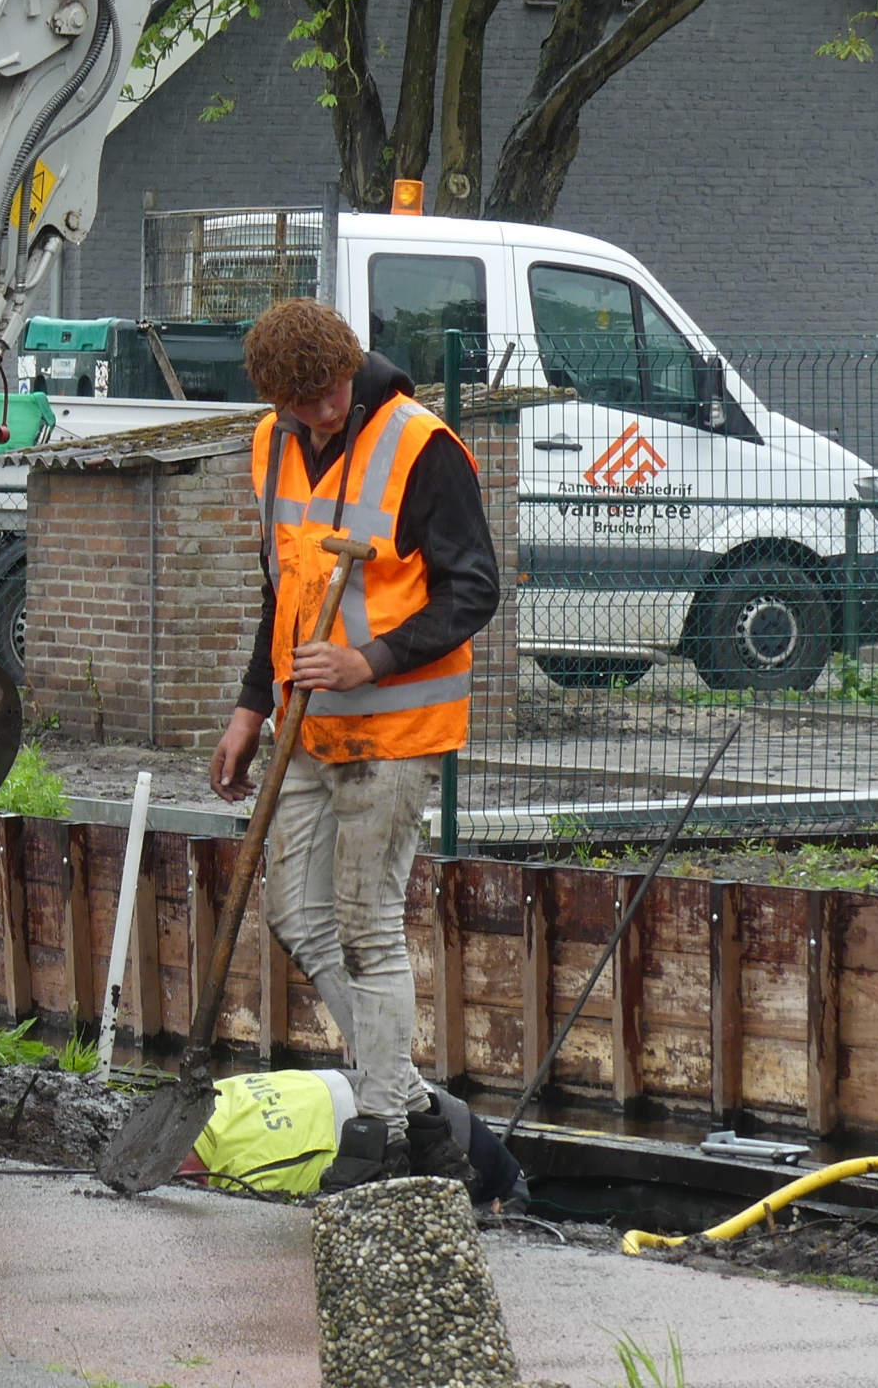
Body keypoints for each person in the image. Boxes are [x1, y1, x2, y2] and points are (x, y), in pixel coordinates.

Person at [208, 299, 499, 1191]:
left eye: (331, 392)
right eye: (303, 402)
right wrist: (251, 710)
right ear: (278, 401)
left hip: (396, 726)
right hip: (305, 724)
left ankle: (377, 1127)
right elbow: (281, 596)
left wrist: (366, 658)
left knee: (369, 923)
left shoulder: (422, 448)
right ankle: (409, 1101)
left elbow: (475, 589)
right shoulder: (272, 444)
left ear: (351, 365)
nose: (323, 411)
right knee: (298, 914)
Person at [182, 1070, 529, 1207]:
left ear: (196, 1181)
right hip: (418, 1100)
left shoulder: (249, 1175)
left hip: (471, 1160)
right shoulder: (217, 1096)